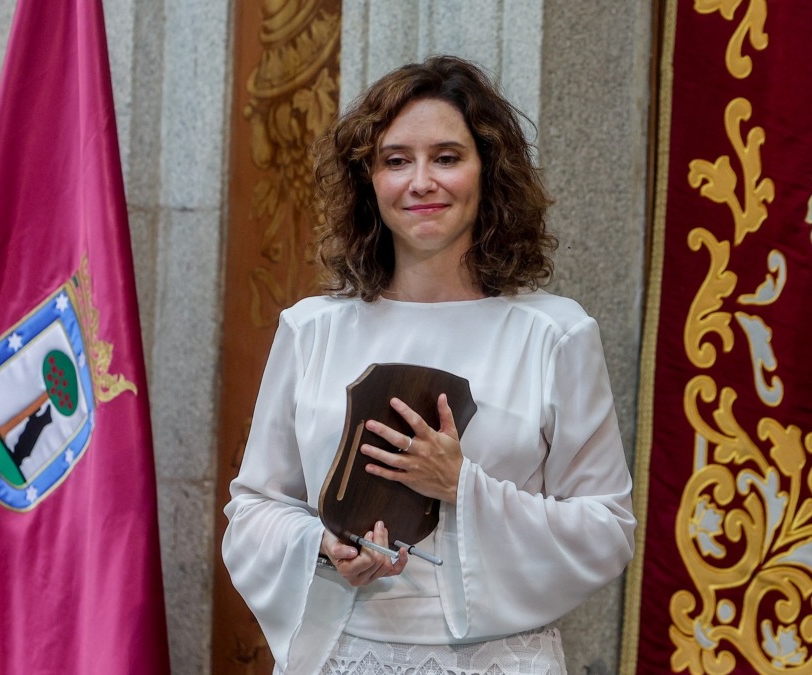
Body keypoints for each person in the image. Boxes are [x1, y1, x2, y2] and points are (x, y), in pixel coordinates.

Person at [222, 55, 636, 674]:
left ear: (487, 171)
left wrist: (461, 486)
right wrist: (323, 546)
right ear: (369, 181)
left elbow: (606, 530)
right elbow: (254, 507)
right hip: (342, 655)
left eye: (447, 157)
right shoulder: (311, 329)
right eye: (396, 160)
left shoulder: (554, 333)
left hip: (495, 660)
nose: (421, 182)